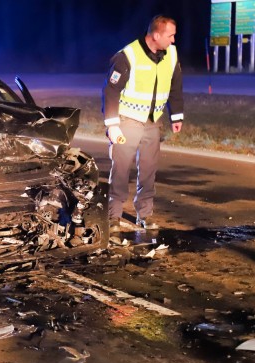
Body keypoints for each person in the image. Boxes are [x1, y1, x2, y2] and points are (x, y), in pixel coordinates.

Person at [102, 15, 184, 231]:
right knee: (120, 171)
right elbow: (111, 90)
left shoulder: (171, 55)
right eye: (170, 35)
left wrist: (176, 115)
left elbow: (175, 87)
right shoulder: (128, 56)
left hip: (153, 123)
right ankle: (113, 217)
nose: (173, 41)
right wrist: (112, 125)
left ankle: (144, 215)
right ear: (156, 35)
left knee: (148, 172)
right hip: (127, 121)